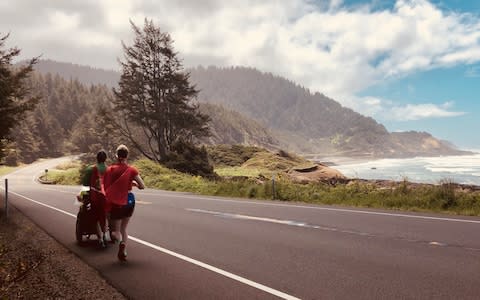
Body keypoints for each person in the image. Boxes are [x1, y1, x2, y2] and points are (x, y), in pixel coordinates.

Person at [104, 144, 145, 261]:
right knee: (124, 229)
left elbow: (106, 187)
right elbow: (142, 186)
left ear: (116, 155)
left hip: (116, 203)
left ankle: (118, 240)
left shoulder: (110, 169)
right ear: (127, 156)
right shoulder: (131, 170)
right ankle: (123, 247)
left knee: (115, 232)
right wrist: (133, 184)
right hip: (129, 201)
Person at [82, 150, 108, 249]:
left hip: (94, 198)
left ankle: (100, 239)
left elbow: (85, 186)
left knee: (96, 218)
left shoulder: (90, 169)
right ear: (105, 159)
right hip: (106, 198)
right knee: (104, 216)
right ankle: (105, 235)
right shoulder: (109, 169)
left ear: (97, 158)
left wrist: (83, 198)